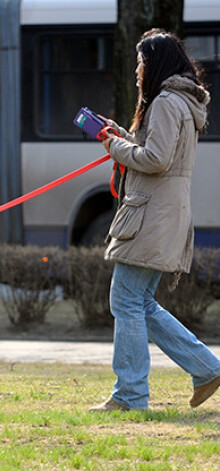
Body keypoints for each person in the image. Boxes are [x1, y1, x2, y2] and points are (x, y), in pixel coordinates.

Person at [90, 29, 220, 412]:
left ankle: (130, 395)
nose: (136, 70)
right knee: (140, 301)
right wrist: (122, 136)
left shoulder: (165, 101)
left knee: (126, 300)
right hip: (166, 211)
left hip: (152, 212)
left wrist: (112, 144)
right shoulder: (182, 101)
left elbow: (155, 159)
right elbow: (154, 152)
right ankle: (207, 368)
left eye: (141, 62)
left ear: (156, 64)